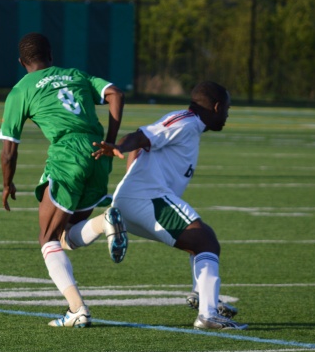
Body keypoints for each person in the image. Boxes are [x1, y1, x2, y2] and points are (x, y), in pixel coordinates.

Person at [91, 81, 247, 330]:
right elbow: (141, 136)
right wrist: (118, 147)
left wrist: (131, 180)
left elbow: (144, 142)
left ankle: (204, 298)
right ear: (217, 107)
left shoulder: (191, 126)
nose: (227, 115)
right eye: (227, 109)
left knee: (198, 241)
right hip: (147, 200)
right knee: (205, 241)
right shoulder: (185, 122)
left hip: (139, 200)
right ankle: (208, 315)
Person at [0, 32, 128, 328]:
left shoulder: (21, 89)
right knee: (64, 236)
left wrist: (7, 184)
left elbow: (8, 151)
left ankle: (77, 308)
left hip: (68, 154)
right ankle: (103, 222)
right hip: (98, 154)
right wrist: (109, 142)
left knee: (46, 239)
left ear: (21, 62)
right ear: (51, 56)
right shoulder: (74, 74)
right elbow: (115, 94)